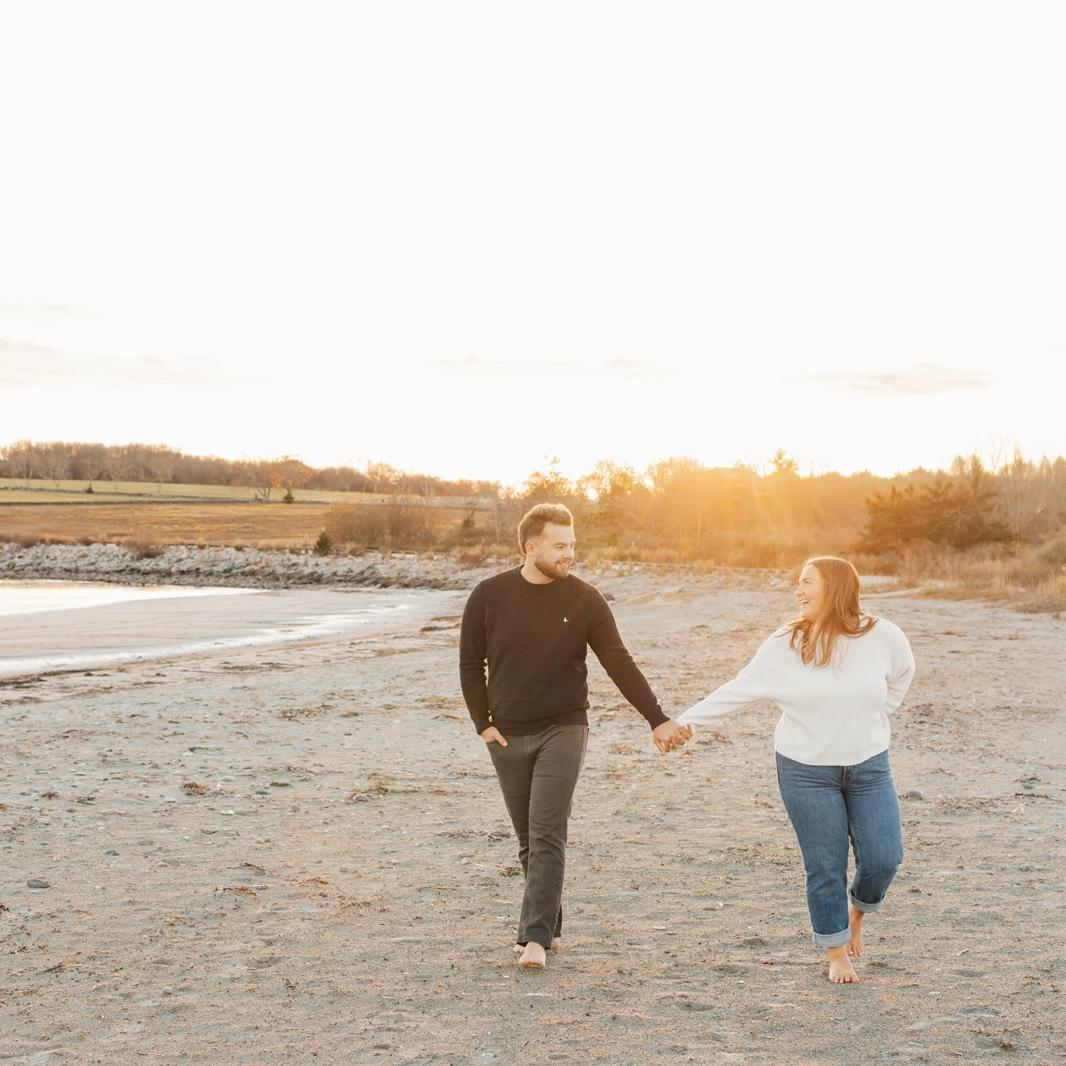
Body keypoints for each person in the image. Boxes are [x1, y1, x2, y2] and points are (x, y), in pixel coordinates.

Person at [459, 503, 692, 970]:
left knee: (547, 831)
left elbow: (619, 662)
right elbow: (470, 662)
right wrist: (482, 723)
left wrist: (657, 718)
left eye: (572, 545)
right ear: (530, 547)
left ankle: (534, 940)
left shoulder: (586, 599)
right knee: (529, 839)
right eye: (559, 546)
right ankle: (551, 924)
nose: (569, 554)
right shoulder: (488, 595)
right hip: (507, 735)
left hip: (564, 727)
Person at [676, 556, 915, 984]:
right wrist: (686, 723)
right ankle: (836, 952)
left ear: (835, 588)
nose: (798, 591)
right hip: (806, 771)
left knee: (884, 857)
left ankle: (857, 912)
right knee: (824, 865)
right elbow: (739, 689)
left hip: (869, 767)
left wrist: (877, 716)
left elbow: (901, 676)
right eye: (798, 583)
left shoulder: (883, 635)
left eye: (807, 583)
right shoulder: (785, 643)